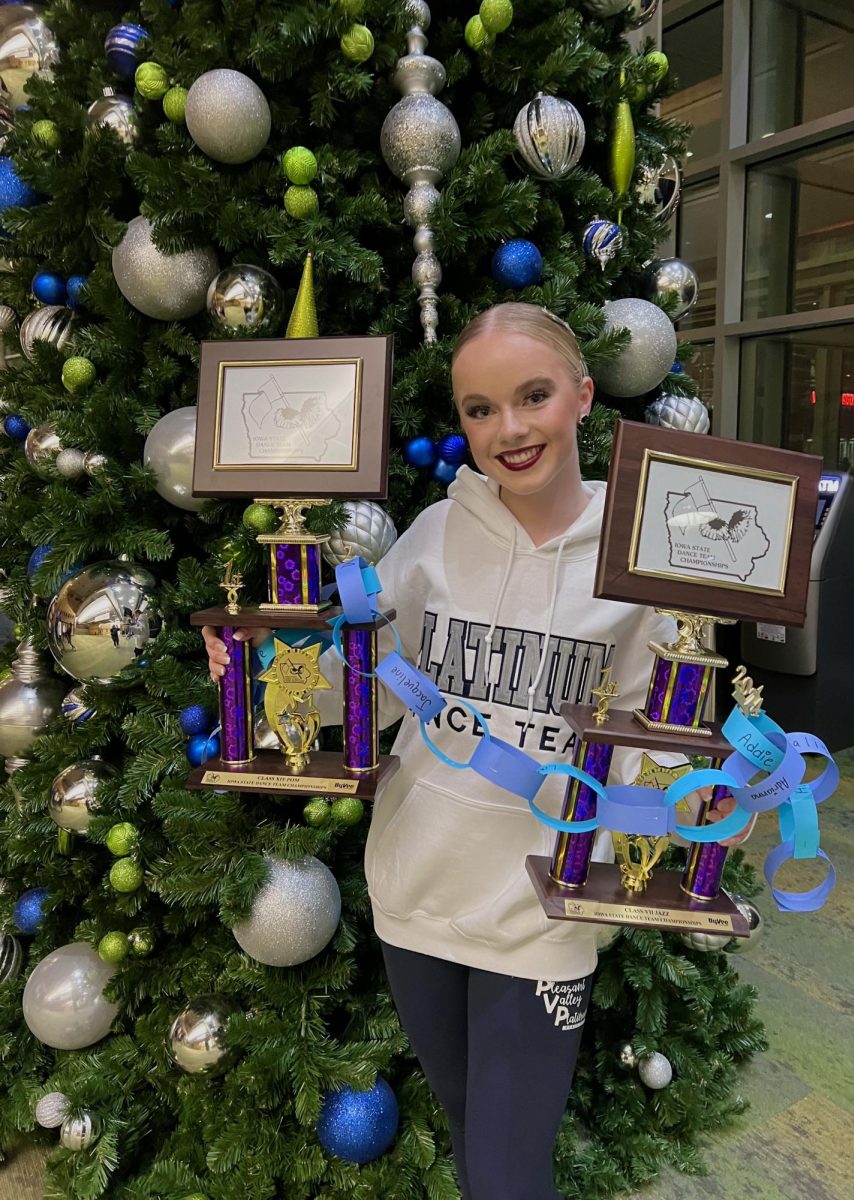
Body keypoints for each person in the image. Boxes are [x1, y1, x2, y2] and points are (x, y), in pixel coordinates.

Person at [203, 303, 746, 1200]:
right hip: (416, 891)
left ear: (581, 396)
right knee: (469, 1136)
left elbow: (664, 739)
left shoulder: (647, 556)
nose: (509, 429)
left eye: (532, 396)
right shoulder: (431, 537)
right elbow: (367, 692)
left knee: (505, 1174)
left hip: (542, 912)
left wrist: (705, 805)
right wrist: (259, 681)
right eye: (479, 410)